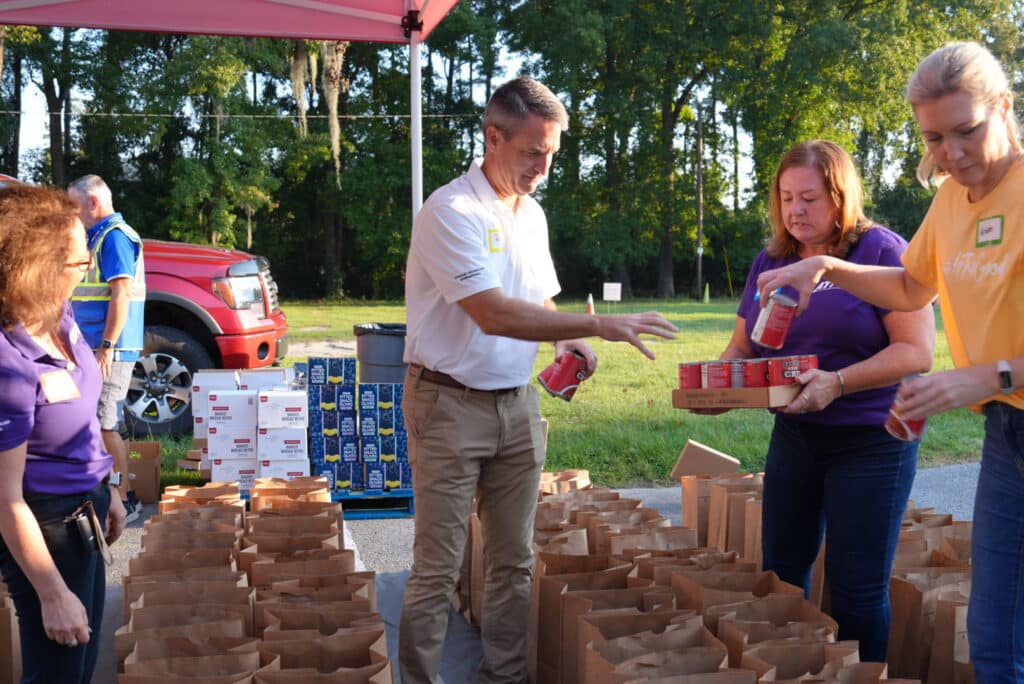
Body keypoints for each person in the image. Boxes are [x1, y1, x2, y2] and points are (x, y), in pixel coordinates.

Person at [757, 42, 1023, 681]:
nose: (951, 154)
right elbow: (909, 288)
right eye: (934, 138)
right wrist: (824, 265)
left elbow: (921, 336)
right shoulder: (951, 201)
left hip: (1002, 401)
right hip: (1008, 433)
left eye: (967, 130)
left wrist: (990, 375)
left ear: (1006, 108)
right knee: (994, 639)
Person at [399, 76, 678, 683]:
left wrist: (567, 336)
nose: (543, 167)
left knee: (514, 561)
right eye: (532, 152)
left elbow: (540, 303)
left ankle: (504, 677)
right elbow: (493, 310)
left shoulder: (532, 214)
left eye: (552, 154)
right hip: (447, 403)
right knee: (439, 567)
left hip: (516, 405)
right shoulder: (451, 211)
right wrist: (599, 324)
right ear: (492, 137)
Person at [700, 140, 935, 661]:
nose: (795, 210)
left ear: (840, 196)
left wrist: (839, 382)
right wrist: (715, 390)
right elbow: (742, 347)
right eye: (786, 198)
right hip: (796, 435)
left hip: (873, 440)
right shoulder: (773, 259)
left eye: (809, 198)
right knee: (782, 576)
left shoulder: (882, 251)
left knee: (857, 589)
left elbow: (916, 351)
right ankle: (794, 670)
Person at [0, 184, 127, 683]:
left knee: (80, 664)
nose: (88, 270)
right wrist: (51, 593)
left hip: (85, 511)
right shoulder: (9, 363)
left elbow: (84, 415)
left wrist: (109, 488)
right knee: (56, 673)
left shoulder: (58, 317)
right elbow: (6, 499)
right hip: (46, 528)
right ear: (38, 266)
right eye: (78, 264)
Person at [68, 175, 146, 524]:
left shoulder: (114, 237)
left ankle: (126, 500)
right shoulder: (99, 235)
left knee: (104, 423)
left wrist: (107, 346)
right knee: (105, 422)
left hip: (109, 348)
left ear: (93, 203)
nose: (73, 213)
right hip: (98, 345)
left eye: (75, 205)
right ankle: (114, 493)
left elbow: (121, 295)